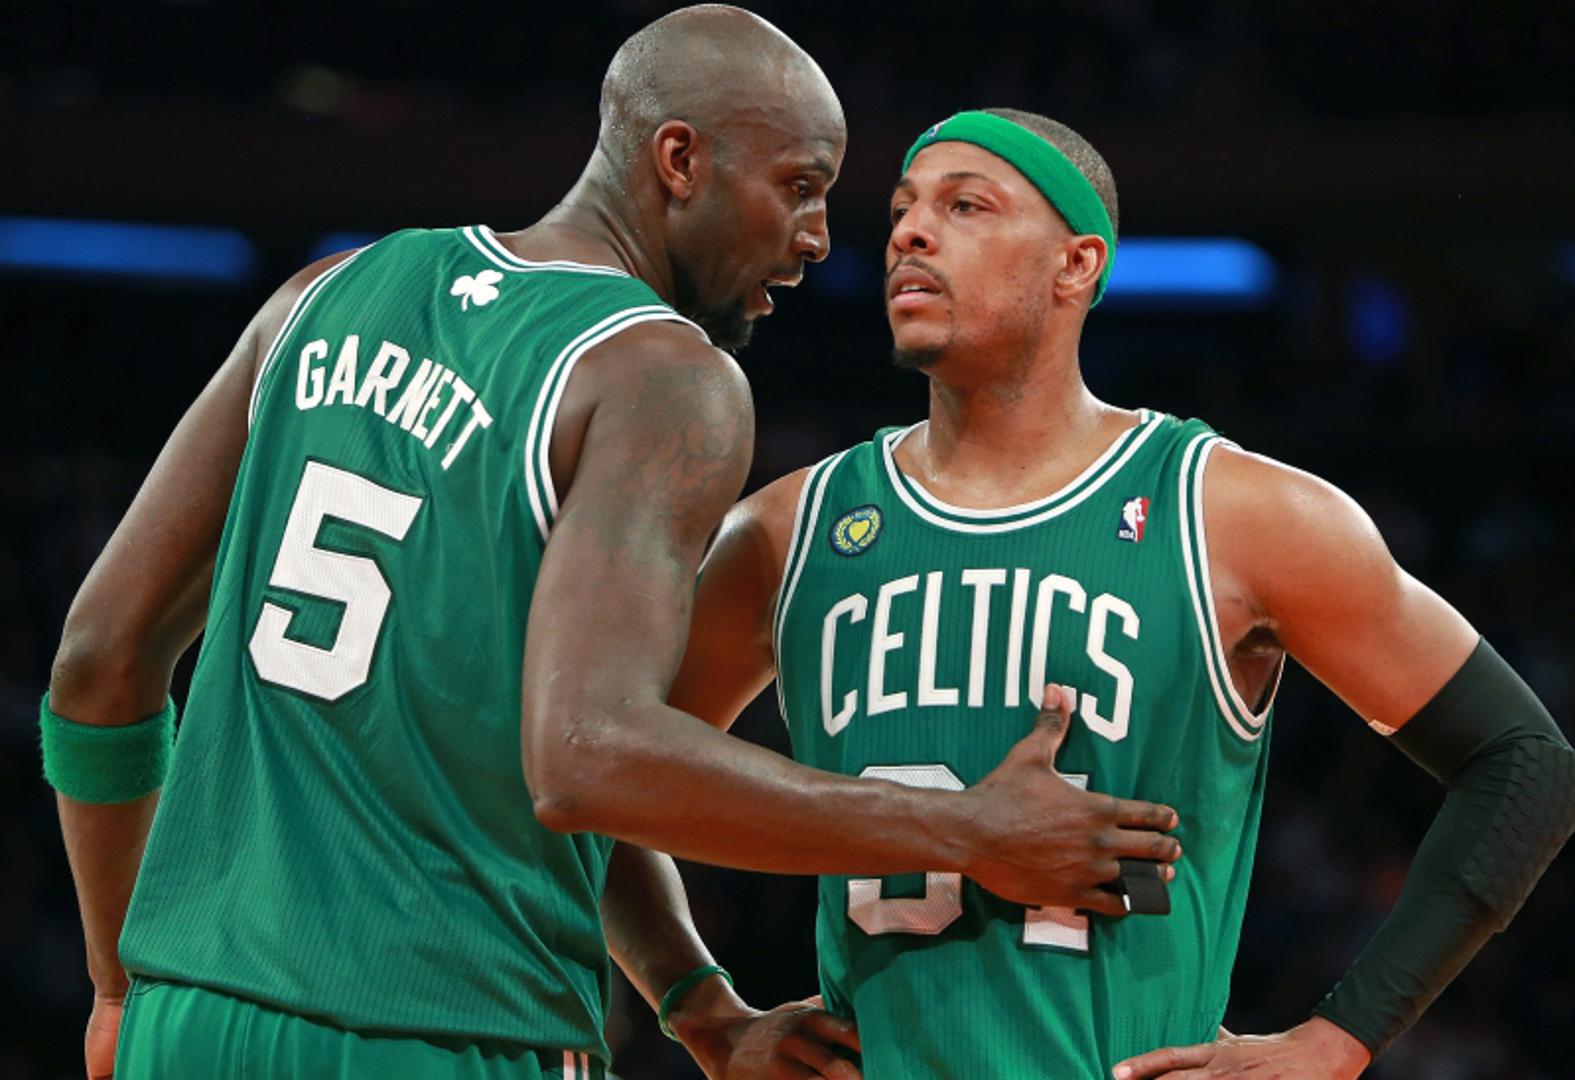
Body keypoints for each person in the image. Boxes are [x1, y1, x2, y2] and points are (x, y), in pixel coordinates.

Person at [41, 9, 1188, 1076]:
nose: (819, 238)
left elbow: (97, 664)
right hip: (447, 1026)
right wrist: (966, 830)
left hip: (190, 1017)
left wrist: (117, 981)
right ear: (679, 161)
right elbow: (590, 757)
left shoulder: (316, 300)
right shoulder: (664, 374)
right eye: (799, 187)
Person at [667, 108, 1575, 1079]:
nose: (910, 233)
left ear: (1077, 264)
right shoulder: (786, 530)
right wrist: (701, 1010)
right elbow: (598, 772)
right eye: (901, 209)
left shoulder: (1233, 512)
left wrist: (1335, 1043)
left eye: (965, 206)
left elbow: (1526, 765)